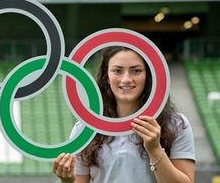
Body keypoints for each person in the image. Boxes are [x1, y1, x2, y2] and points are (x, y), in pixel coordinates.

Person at [53, 46, 195, 183]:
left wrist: (155, 149)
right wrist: (67, 181)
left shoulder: (176, 124)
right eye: (117, 71)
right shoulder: (85, 129)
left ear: (148, 75)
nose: (126, 79)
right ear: (107, 77)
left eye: (136, 71)